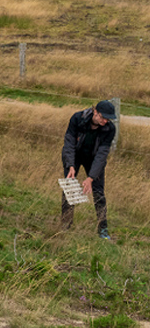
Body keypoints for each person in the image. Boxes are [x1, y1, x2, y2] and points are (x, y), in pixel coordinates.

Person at [61, 99, 117, 239]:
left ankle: (102, 229)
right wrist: (71, 165)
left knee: (99, 192)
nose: (106, 121)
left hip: (94, 159)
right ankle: (65, 225)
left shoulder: (110, 129)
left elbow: (102, 154)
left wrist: (91, 178)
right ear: (95, 112)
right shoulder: (77, 118)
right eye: (103, 117)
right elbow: (69, 143)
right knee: (69, 188)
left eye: (108, 119)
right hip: (75, 155)